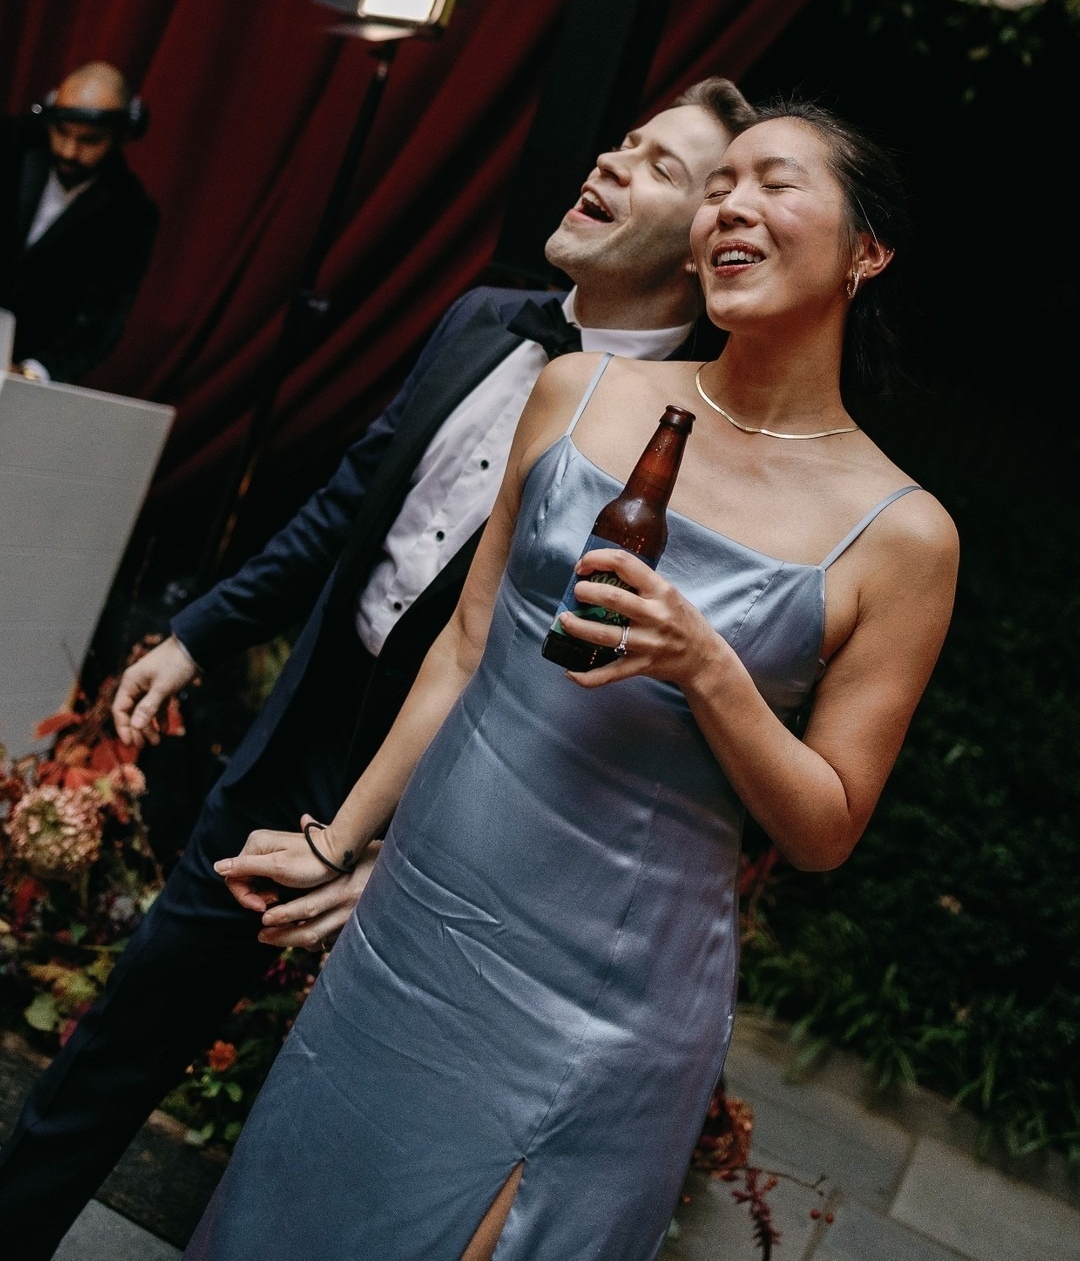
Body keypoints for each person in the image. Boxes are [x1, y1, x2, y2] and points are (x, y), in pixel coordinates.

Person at [182, 99, 959, 1260]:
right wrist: (341, 843)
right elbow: (464, 647)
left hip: (605, 999)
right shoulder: (582, 392)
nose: (731, 206)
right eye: (720, 187)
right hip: (421, 925)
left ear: (868, 250)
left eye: (777, 183)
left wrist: (709, 668)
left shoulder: (901, 537)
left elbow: (826, 829)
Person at [0, 75, 756, 1260]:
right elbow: (347, 510)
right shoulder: (479, 321)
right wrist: (199, 633)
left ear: (712, 240)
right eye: (621, 140)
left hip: (460, 823)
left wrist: (400, 842)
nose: (610, 162)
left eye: (660, 164)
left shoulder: (688, 442)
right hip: (297, 750)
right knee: (116, 1046)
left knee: (343, 1147)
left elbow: (607, 705)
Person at [0, 61, 158, 384]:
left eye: (89, 140)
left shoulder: (133, 214)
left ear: (122, 136)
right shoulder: (8, 145)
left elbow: (102, 322)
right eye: (61, 132)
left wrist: (32, 372)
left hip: (22, 375)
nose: (69, 151)